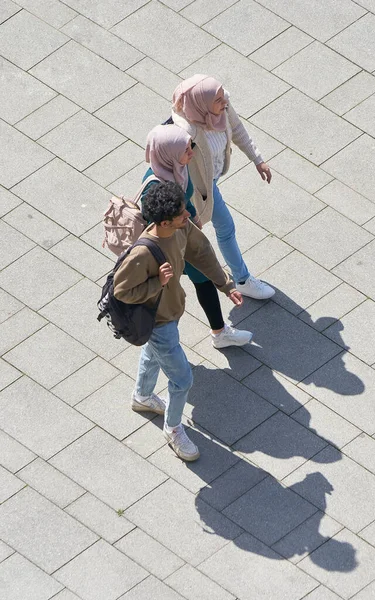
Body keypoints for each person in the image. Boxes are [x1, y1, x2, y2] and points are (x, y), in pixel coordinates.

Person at [113, 181, 243, 461]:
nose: (189, 216)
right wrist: (156, 284)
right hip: (159, 322)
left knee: (152, 354)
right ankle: (172, 430)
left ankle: (142, 396)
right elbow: (122, 291)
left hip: (170, 312)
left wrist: (226, 284)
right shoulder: (142, 253)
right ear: (164, 221)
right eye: (182, 214)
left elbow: (202, 252)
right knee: (182, 379)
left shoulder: (181, 227)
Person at [143, 124, 252, 349]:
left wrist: (192, 217)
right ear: (169, 153)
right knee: (166, 294)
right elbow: (154, 225)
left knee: (202, 279)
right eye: (186, 149)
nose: (191, 152)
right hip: (167, 249)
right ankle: (157, 342)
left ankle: (219, 332)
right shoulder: (153, 188)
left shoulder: (179, 167)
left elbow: (187, 196)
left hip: (185, 238)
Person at [170, 74, 275, 300]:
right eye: (218, 100)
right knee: (225, 228)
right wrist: (188, 205)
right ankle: (242, 279)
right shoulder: (186, 132)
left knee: (207, 230)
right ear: (202, 103)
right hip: (199, 187)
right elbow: (178, 168)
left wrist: (258, 160)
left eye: (222, 96)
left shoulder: (221, 108)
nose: (224, 102)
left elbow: (236, 129)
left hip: (211, 180)